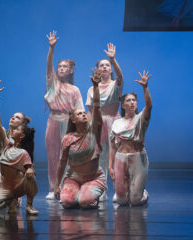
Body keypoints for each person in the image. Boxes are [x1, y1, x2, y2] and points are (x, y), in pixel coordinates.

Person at [54, 68, 106, 209]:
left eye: (84, 113)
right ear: (73, 119)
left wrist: (95, 86)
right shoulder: (68, 138)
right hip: (74, 178)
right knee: (67, 203)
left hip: (93, 177)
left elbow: (96, 107)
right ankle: (78, 192)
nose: (84, 115)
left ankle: (88, 194)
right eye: (79, 114)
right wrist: (57, 185)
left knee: (85, 202)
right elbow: (62, 163)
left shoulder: (93, 132)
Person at [0, 80, 38, 215]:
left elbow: (28, 162)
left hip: (17, 176)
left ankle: (27, 204)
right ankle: (9, 199)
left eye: (17, 117)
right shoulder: (5, 137)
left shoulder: (24, 144)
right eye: (12, 116)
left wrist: (29, 169)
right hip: (2, 175)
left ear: (23, 125)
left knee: (30, 179)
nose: (13, 118)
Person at [44, 31, 84, 200]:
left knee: (68, 156)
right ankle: (53, 188)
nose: (61, 69)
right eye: (59, 67)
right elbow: (48, 66)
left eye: (64, 67)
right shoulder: (52, 84)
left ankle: (68, 186)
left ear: (70, 71)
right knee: (52, 156)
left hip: (68, 122)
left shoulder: (75, 90)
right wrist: (51, 48)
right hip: (53, 120)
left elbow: (80, 110)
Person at [85, 43, 124, 201]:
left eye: (107, 65)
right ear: (98, 69)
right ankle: (101, 189)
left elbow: (121, 77)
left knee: (116, 156)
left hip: (114, 122)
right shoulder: (91, 88)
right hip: (98, 123)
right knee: (99, 156)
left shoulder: (116, 85)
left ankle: (119, 190)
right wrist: (87, 129)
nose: (105, 67)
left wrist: (113, 59)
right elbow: (89, 111)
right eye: (102, 65)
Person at [109, 70, 152, 206]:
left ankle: (142, 192)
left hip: (138, 158)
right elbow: (112, 146)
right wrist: (110, 166)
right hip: (120, 158)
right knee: (121, 201)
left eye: (134, 100)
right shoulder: (117, 122)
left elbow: (149, 106)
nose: (132, 103)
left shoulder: (140, 119)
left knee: (135, 201)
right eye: (128, 100)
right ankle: (123, 191)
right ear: (123, 105)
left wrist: (145, 87)